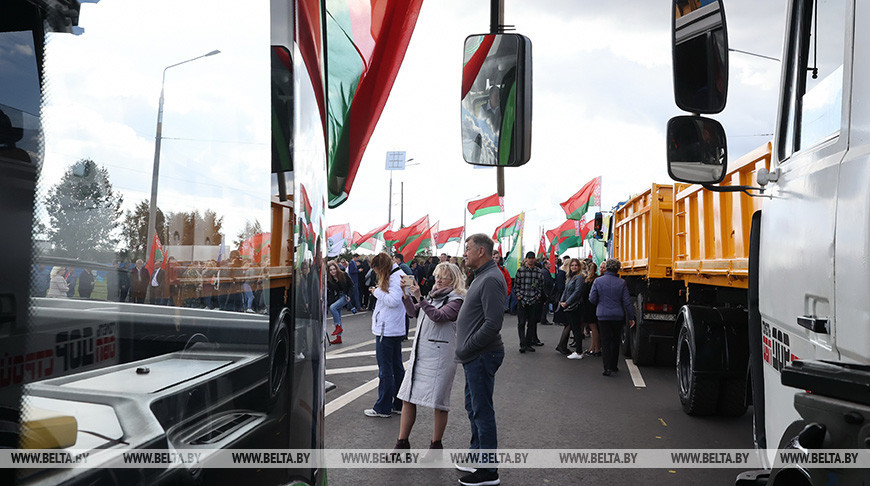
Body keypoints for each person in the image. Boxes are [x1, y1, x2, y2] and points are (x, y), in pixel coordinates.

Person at [394, 262, 465, 453]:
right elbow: (412, 312)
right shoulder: (432, 296)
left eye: (443, 277)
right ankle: (402, 444)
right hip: (421, 355)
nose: (439, 280)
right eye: (437, 276)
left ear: (454, 280)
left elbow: (439, 316)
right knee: (407, 398)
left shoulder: (457, 300)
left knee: (439, 403)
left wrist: (419, 297)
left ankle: (436, 446)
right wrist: (406, 294)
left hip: (441, 358)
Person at [454, 234, 506, 486]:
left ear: (482, 251)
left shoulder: (492, 279)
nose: (465, 253)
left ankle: (488, 470)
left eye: (468, 249)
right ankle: (477, 457)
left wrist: (467, 347)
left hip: (482, 355)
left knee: (482, 411)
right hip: (474, 356)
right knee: (473, 407)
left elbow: (493, 324)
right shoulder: (482, 275)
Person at [364, 252, 406, 418]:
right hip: (394, 328)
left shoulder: (394, 277)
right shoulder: (400, 274)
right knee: (396, 367)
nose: (376, 273)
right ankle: (398, 404)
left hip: (386, 329)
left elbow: (394, 301)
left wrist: (376, 292)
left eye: (376, 270)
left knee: (386, 369)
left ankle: (383, 407)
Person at [589, 258, 635, 376]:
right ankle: (614, 366)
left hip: (603, 315)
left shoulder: (598, 281)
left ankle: (607, 368)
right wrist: (631, 317)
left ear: (607, 268)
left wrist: (601, 302)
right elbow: (627, 302)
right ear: (617, 269)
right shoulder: (621, 283)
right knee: (615, 341)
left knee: (605, 341)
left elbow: (592, 299)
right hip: (617, 315)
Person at [514, 251, 544, 352]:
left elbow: (541, 285)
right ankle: (522, 344)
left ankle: (528, 343)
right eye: (529, 258)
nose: (531, 260)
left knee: (531, 323)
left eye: (532, 258)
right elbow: (516, 285)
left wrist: (538, 296)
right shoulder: (520, 271)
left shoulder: (538, 271)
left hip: (533, 300)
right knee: (521, 323)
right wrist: (518, 296)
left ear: (535, 259)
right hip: (522, 300)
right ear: (526, 259)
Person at [556, 259, 584, 356]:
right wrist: (562, 301)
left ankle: (578, 352)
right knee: (571, 326)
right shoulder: (570, 277)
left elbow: (577, 292)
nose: (574, 267)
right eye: (572, 265)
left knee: (576, 329)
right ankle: (562, 346)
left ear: (579, 266)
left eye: (576, 265)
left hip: (574, 306)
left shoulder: (579, 277)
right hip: (568, 306)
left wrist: (567, 303)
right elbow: (565, 290)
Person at [327, 261, 353, 345]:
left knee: (333, 308)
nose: (333, 271)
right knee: (337, 316)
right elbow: (331, 291)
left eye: (334, 269)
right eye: (330, 270)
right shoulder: (330, 279)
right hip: (337, 297)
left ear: (337, 268)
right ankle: (339, 338)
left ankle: (338, 327)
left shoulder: (343, 275)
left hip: (345, 296)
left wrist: (349, 295)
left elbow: (351, 285)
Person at [582, 261, 602, 357]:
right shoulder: (597, 279)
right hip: (594, 305)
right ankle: (592, 347)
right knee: (594, 327)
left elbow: (584, 294)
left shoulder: (588, 280)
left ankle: (596, 348)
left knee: (593, 327)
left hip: (589, 305)